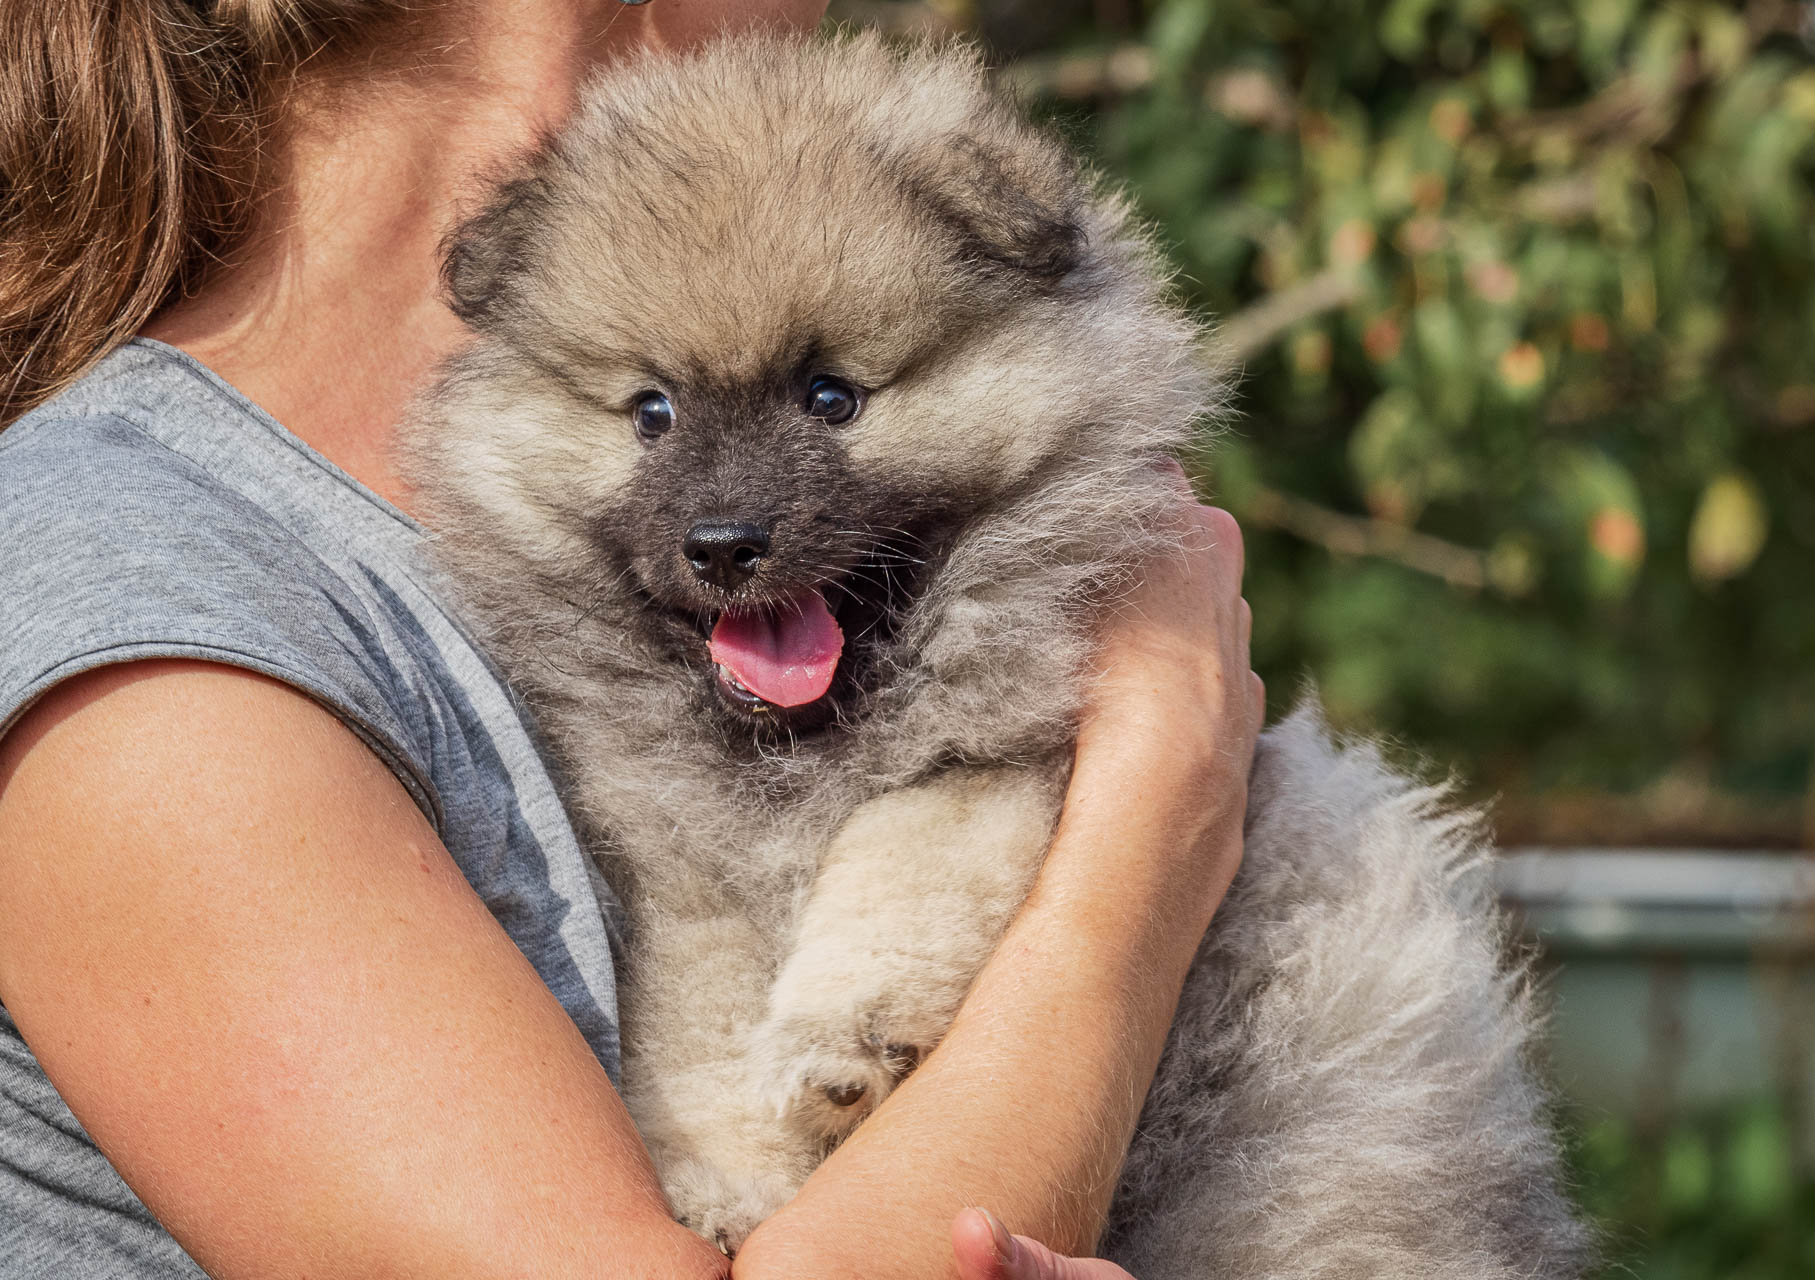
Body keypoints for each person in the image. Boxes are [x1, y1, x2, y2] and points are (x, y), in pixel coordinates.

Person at [0, 2, 1263, 1277]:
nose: (720, 516)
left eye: (831, 399)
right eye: (652, 412)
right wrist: (1150, 819)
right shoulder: (138, 614)